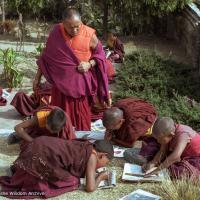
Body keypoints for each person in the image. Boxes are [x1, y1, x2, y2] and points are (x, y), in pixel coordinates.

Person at [33, 8, 109, 131]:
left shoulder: (89, 35)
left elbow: (101, 55)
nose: (74, 30)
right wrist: (37, 78)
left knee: (81, 118)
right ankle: (62, 139)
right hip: (60, 86)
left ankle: (81, 142)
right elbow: (46, 58)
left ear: (81, 22)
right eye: (70, 27)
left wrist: (89, 64)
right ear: (63, 24)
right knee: (59, 116)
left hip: (79, 87)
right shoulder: (56, 33)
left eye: (77, 27)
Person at [0, 137, 114, 198]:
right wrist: (100, 177)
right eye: (104, 163)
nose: (100, 166)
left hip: (38, 143)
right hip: (40, 153)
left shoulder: (87, 145)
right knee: (73, 181)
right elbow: (90, 188)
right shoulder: (93, 156)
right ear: (102, 155)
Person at [8, 105, 76, 148]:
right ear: (46, 121)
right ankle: (17, 135)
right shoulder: (40, 118)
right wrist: (33, 141)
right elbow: (17, 127)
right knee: (29, 146)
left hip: (54, 137)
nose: (51, 132)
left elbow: (69, 141)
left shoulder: (65, 123)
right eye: (49, 129)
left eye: (53, 131)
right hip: (39, 134)